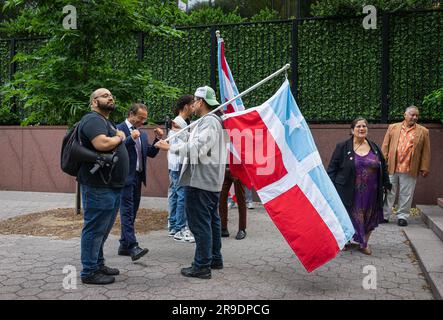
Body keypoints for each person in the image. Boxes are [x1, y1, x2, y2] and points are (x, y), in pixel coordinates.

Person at [155, 86, 227, 279]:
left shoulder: (210, 121)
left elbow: (198, 149)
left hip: (201, 181)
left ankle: (202, 266)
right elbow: (200, 144)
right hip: (207, 180)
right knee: (211, 221)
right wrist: (184, 135)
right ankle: (214, 258)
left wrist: (170, 147)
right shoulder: (208, 121)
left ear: (201, 102)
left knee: (199, 224)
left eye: (195, 100)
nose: (192, 104)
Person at [77, 88, 129, 285]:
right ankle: (89, 271)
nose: (110, 97)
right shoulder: (92, 119)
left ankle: (98, 264)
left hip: (110, 185)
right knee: (95, 228)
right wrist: (120, 136)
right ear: (94, 102)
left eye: (111, 95)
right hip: (99, 186)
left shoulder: (105, 121)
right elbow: (102, 144)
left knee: (103, 229)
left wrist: (118, 134)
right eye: (105, 95)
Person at [327, 117, 391, 255]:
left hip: (371, 191)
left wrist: (386, 183)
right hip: (348, 189)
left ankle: (364, 243)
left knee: (369, 216)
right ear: (352, 130)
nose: (362, 129)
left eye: (364, 126)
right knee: (347, 215)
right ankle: (343, 240)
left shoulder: (374, 147)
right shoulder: (343, 147)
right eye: (358, 126)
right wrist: (329, 187)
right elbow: (332, 168)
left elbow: (383, 166)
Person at [116, 103, 163, 261]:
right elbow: (115, 149)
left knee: (132, 211)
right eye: (140, 118)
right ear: (131, 114)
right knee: (127, 212)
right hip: (124, 178)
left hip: (138, 177)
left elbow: (150, 153)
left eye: (144, 119)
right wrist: (130, 139)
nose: (142, 122)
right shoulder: (118, 128)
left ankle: (123, 245)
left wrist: (158, 139)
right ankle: (132, 246)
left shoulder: (142, 134)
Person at [381, 106, 431, 227]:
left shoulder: (423, 131)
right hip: (392, 166)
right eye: (412, 115)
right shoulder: (393, 127)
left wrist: (424, 167)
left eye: (416, 116)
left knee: (406, 193)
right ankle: (384, 215)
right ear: (405, 115)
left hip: (410, 168)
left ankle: (402, 216)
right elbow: (385, 146)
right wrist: (382, 163)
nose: (414, 117)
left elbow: (426, 151)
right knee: (389, 192)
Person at [167, 95, 195, 243]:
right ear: (185, 107)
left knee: (175, 194)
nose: (193, 107)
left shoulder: (179, 122)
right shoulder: (179, 122)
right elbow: (186, 142)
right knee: (182, 195)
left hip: (174, 163)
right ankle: (180, 229)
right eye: (192, 105)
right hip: (178, 163)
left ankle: (173, 226)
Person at [219, 166, 247, 240]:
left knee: (241, 200)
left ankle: (242, 228)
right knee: (221, 199)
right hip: (225, 168)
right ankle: (223, 227)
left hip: (238, 169)